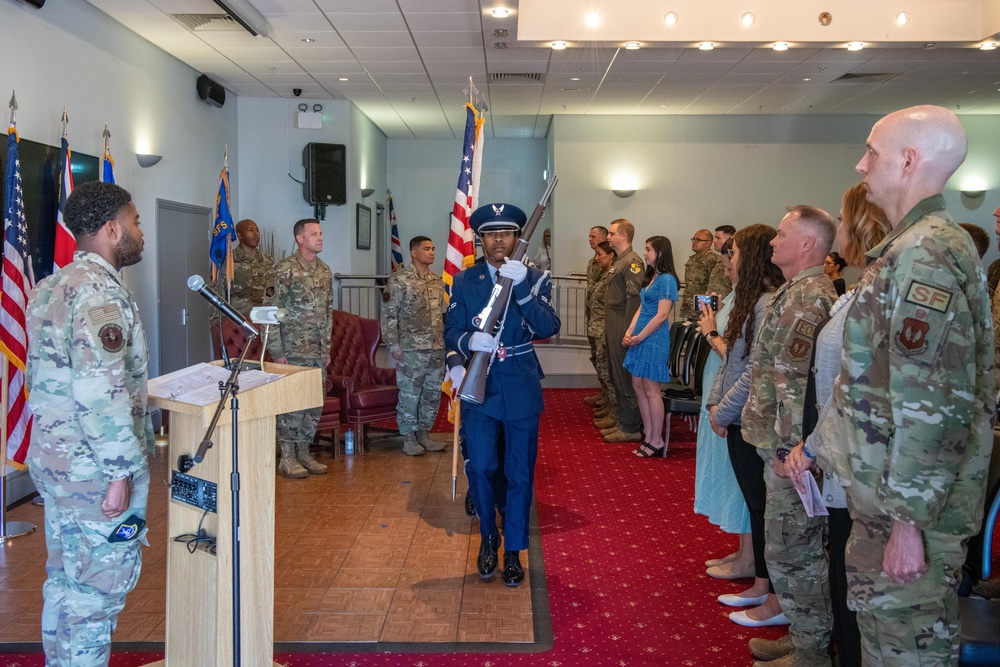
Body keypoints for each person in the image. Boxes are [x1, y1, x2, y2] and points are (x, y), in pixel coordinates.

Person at [805, 105, 995, 665]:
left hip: (907, 508)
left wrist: (909, 523)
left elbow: (933, 402)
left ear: (909, 161)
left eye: (873, 152)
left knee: (906, 650)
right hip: (889, 497)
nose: (862, 165)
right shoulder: (910, 249)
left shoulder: (925, 255)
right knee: (886, 644)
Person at [26, 181, 154, 666]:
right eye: (136, 222)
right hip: (94, 472)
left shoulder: (50, 286)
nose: (141, 233)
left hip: (57, 463)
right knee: (94, 596)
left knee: (64, 584)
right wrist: (119, 473)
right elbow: (99, 391)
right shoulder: (100, 296)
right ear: (110, 228)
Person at [782, 182, 892, 667]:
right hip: (841, 456)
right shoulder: (865, 285)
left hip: (857, 461)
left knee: (857, 591)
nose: (837, 232)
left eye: (843, 223)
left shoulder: (878, 289)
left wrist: (812, 445)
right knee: (846, 582)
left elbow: (857, 386)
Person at [741, 205, 838, 667]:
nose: (773, 242)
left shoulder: (808, 298)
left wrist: (788, 447)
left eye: (782, 235)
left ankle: (813, 651)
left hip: (790, 451)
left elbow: (799, 383)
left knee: (795, 551)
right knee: (785, 547)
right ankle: (804, 637)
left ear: (806, 244)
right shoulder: (792, 291)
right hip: (777, 443)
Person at [445, 202, 560, 587]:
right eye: (491, 234)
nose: (499, 240)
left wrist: (524, 286)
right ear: (480, 240)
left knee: (519, 472)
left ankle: (512, 550)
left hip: (521, 383)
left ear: (516, 238)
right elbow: (452, 330)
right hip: (481, 386)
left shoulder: (536, 278)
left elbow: (548, 326)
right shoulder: (465, 281)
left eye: (507, 233)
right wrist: (464, 347)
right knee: (479, 467)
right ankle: (488, 539)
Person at [706, 225, 786, 632]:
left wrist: (723, 411)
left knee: (762, 506)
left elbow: (755, 371)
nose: (728, 258)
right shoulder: (753, 300)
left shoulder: (767, 303)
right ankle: (760, 584)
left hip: (750, 416)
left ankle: (768, 590)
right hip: (737, 415)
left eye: (733, 251)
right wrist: (715, 405)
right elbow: (730, 362)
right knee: (756, 504)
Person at [693, 239, 751, 572]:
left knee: (740, 479)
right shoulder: (735, 294)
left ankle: (749, 557)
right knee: (731, 475)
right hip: (720, 395)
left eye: (732, 256)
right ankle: (742, 550)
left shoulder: (755, 300)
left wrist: (712, 333)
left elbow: (739, 357)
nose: (725, 262)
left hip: (734, 400)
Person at [265, 218, 333, 478]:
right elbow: (271, 313)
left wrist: (326, 348)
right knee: (292, 404)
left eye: (321, 233)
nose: (320, 238)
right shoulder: (284, 270)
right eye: (314, 234)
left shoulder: (325, 270)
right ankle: (288, 457)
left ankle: (304, 451)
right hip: (291, 350)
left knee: (314, 403)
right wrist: (277, 351)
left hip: (316, 351)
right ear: (300, 238)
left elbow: (328, 314)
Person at [381, 235, 447, 456]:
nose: (431, 252)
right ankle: (408, 438)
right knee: (410, 393)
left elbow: (441, 315)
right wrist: (394, 346)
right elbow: (389, 316)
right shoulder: (400, 281)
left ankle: (423, 434)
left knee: (432, 393)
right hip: (410, 349)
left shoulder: (437, 282)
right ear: (414, 252)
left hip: (436, 347)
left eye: (433, 248)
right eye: (426, 249)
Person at [622, 236, 679, 457]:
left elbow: (662, 315)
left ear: (661, 253)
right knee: (638, 385)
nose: (644, 253)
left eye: (648, 250)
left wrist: (640, 337)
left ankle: (657, 439)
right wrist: (630, 331)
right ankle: (648, 435)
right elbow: (642, 308)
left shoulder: (667, 279)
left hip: (654, 338)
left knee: (651, 390)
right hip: (641, 337)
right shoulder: (651, 276)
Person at [602, 219, 645, 443]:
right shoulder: (620, 260)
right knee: (615, 374)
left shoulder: (632, 262)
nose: (608, 237)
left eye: (611, 233)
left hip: (622, 320)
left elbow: (634, 299)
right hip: (613, 318)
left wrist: (629, 330)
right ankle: (622, 420)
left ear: (624, 236)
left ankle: (631, 426)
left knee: (624, 375)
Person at [589, 241, 619, 432]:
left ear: (611, 255)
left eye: (600, 254)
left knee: (610, 374)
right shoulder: (603, 274)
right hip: (597, 329)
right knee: (602, 369)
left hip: (606, 330)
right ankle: (610, 407)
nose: (597, 258)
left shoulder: (613, 277)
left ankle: (616, 415)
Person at [220, 218, 274, 314]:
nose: (256, 234)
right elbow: (218, 293)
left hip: (263, 316)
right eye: (250, 230)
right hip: (238, 317)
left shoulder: (267, 259)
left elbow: (274, 289)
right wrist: (217, 320)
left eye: (257, 230)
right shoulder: (228, 260)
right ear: (239, 235)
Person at [584, 225, 610, 406]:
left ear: (604, 237)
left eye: (593, 236)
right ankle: (604, 394)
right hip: (593, 318)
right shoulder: (592, 261)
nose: (589, 239)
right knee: (597, 359)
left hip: (603, 322)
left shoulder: (611, 262)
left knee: (605, 363)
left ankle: (610, 401)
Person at [678, 228, 720, 321]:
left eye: (698, 240)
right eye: (693, 239)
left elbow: (713, 288)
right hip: (690, 308)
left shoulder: (713, 260)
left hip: (703, 310)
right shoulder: (692, 259)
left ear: (708, 243)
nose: (694, 242)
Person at [706, 224, 736, 298]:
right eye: (714, 237)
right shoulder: (718, 260)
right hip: (715, 304)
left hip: (727, 305)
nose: (714, 241)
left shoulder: (734, 262)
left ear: (730, 239)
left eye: (718, 238)